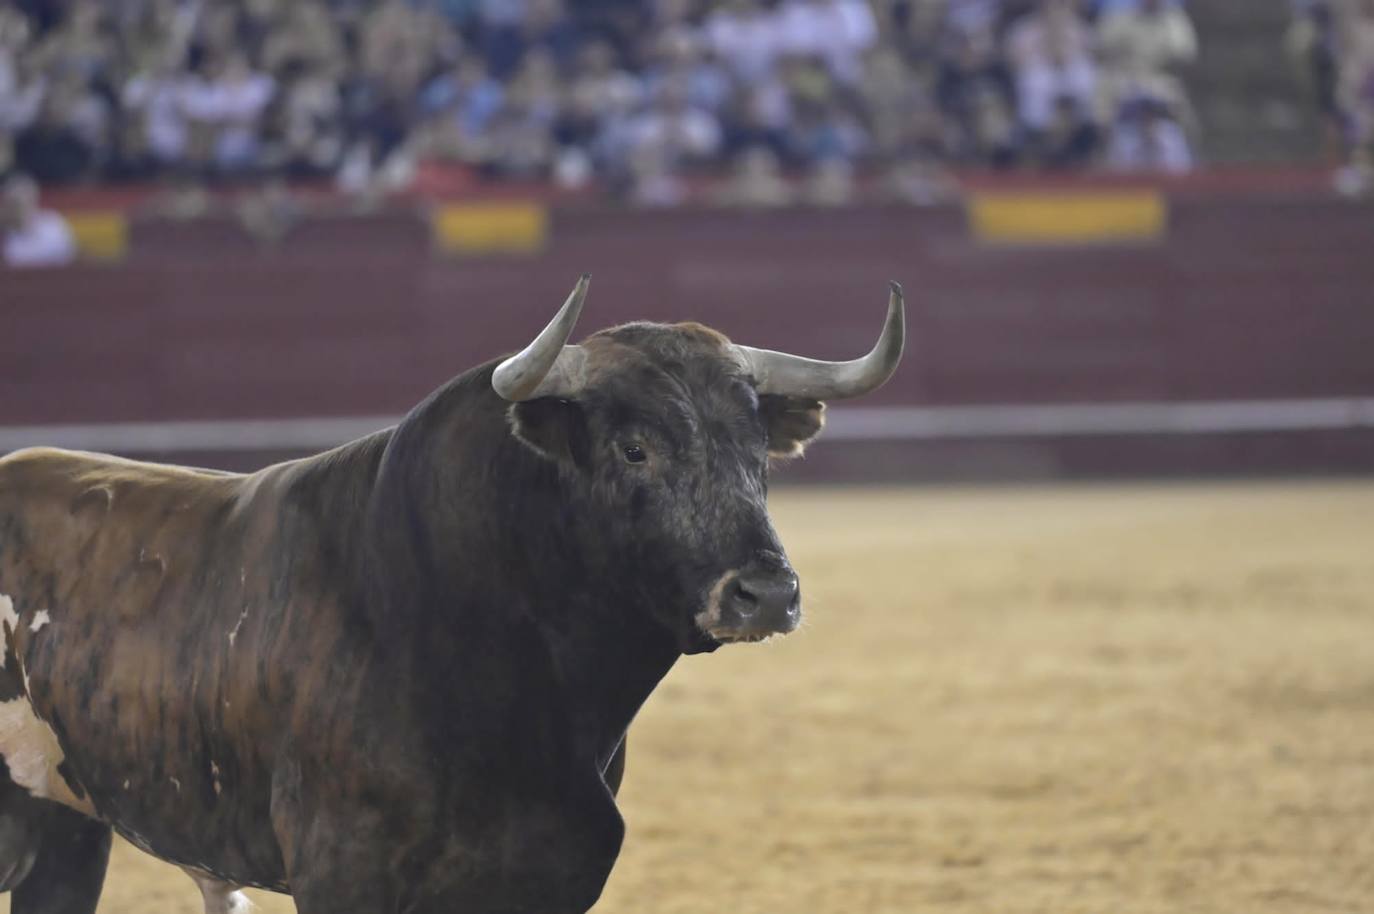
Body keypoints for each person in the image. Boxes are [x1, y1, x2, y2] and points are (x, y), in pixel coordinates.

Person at [1, 173, 76, 267]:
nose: (18, 208)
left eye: (22, 201)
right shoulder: (4, 236)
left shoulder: (53, 223)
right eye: (13, 203)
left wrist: (27, 227)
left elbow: (65, 253)